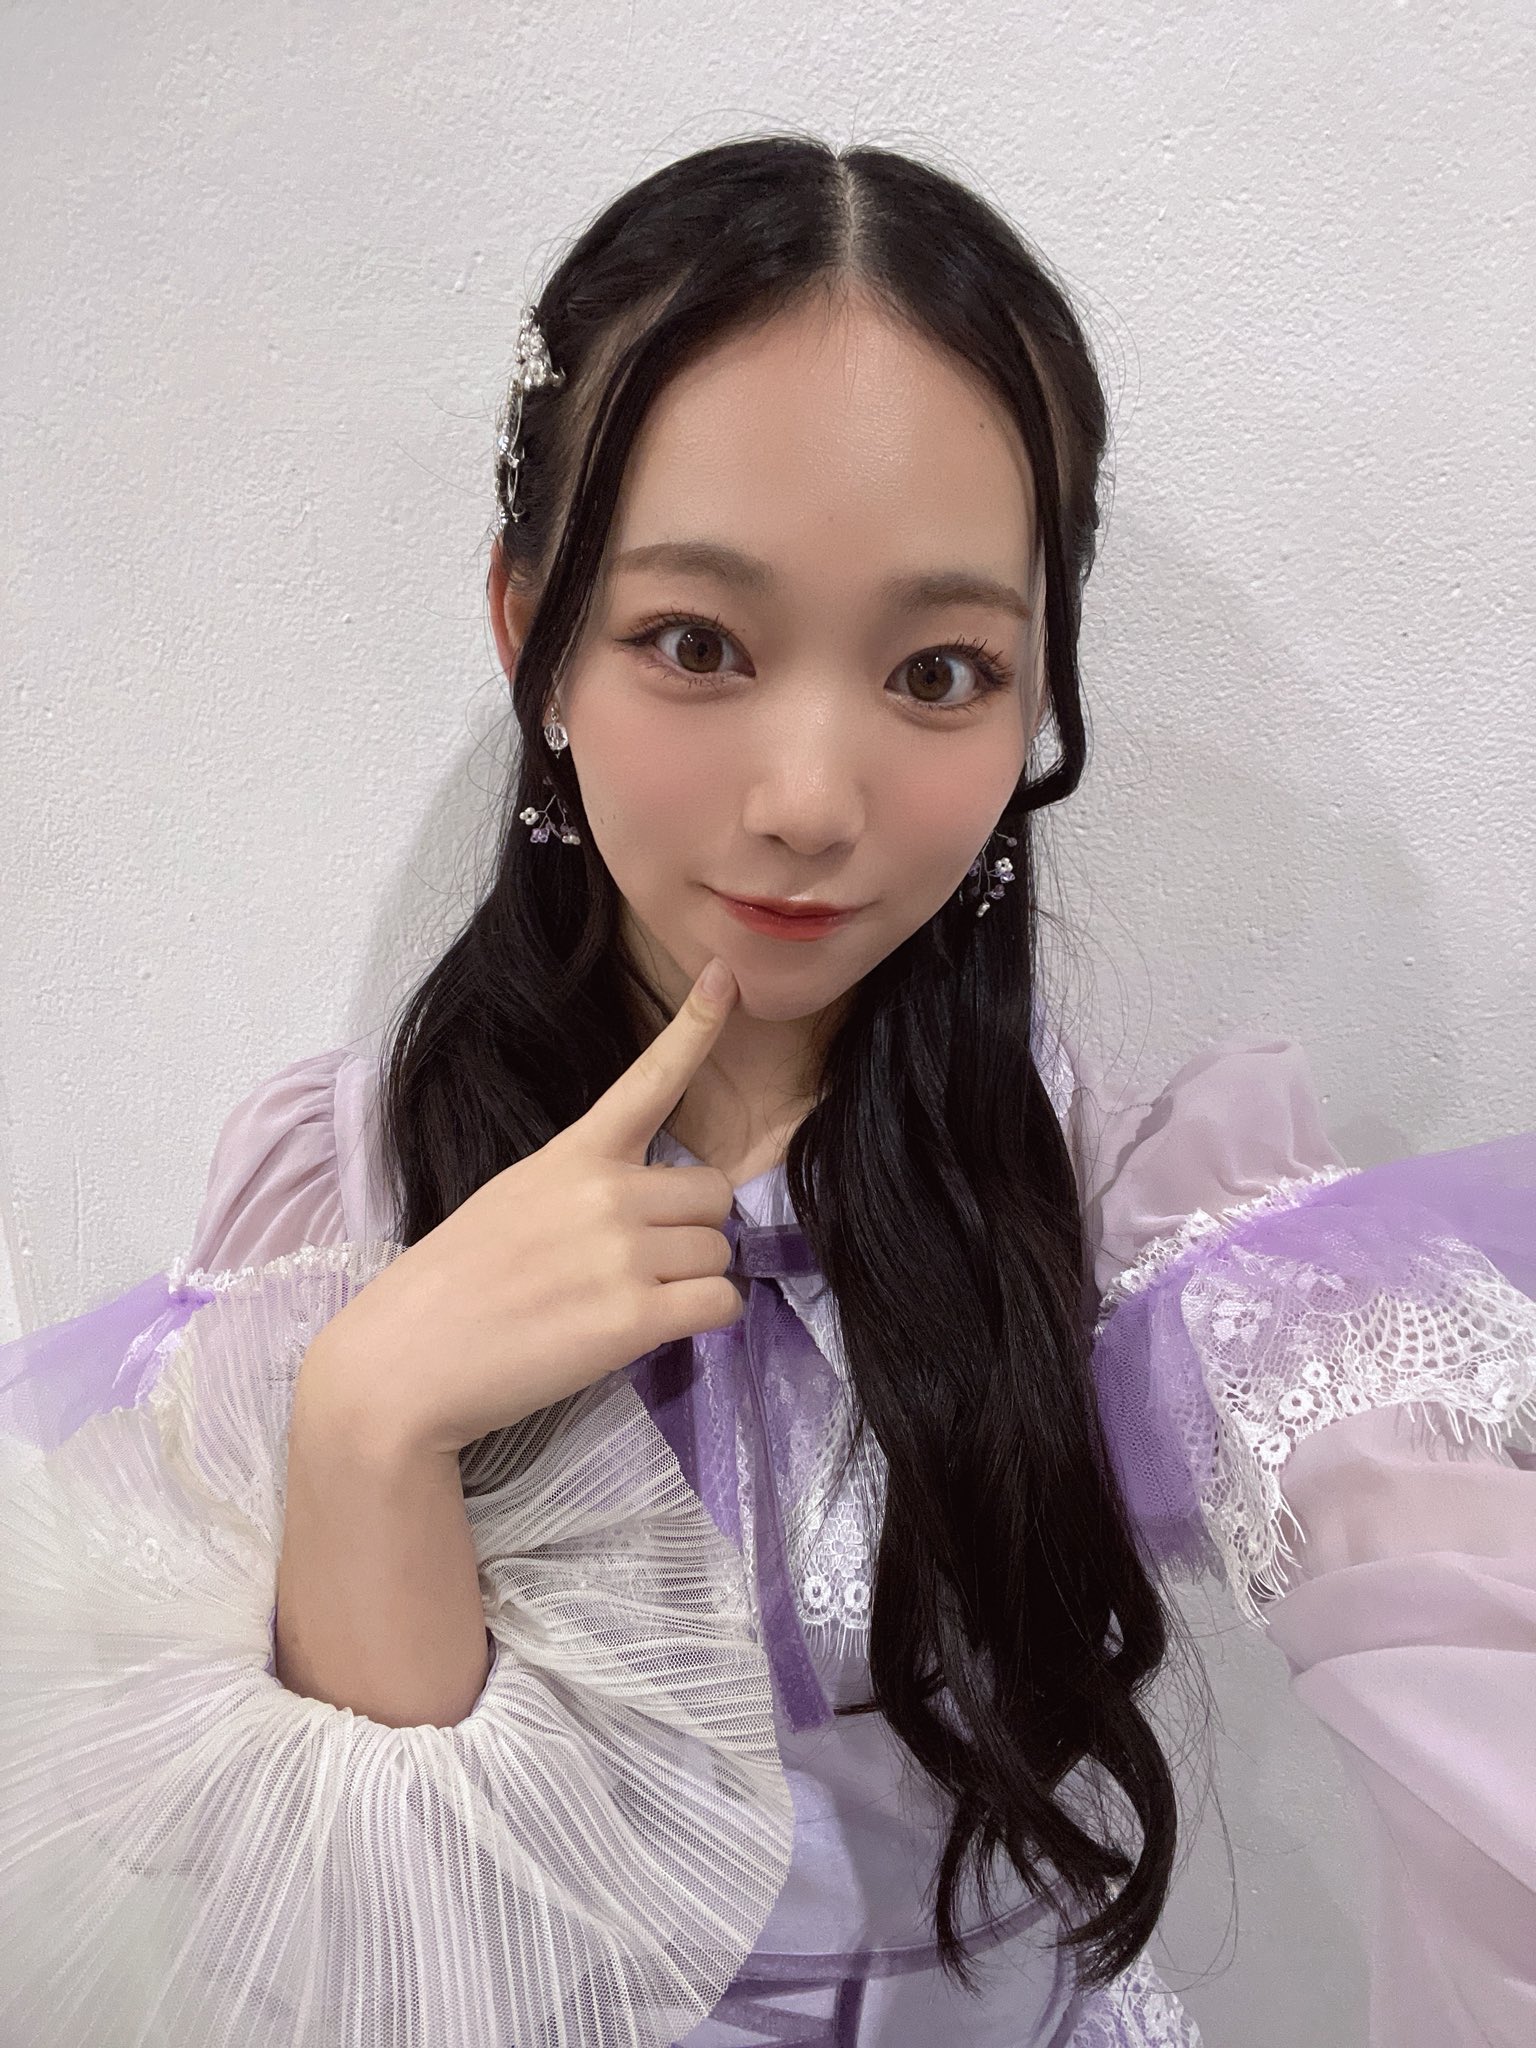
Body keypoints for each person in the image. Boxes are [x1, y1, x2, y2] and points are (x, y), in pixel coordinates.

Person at [0, 132, 1532, 2048]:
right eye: (696, 645)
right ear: (531, 636)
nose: (810, 800)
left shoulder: (1129, 1198)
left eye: (940, 672)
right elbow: (373, 1962)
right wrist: (367, 1421)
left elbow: (1472, 1671)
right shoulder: (348, 1204)